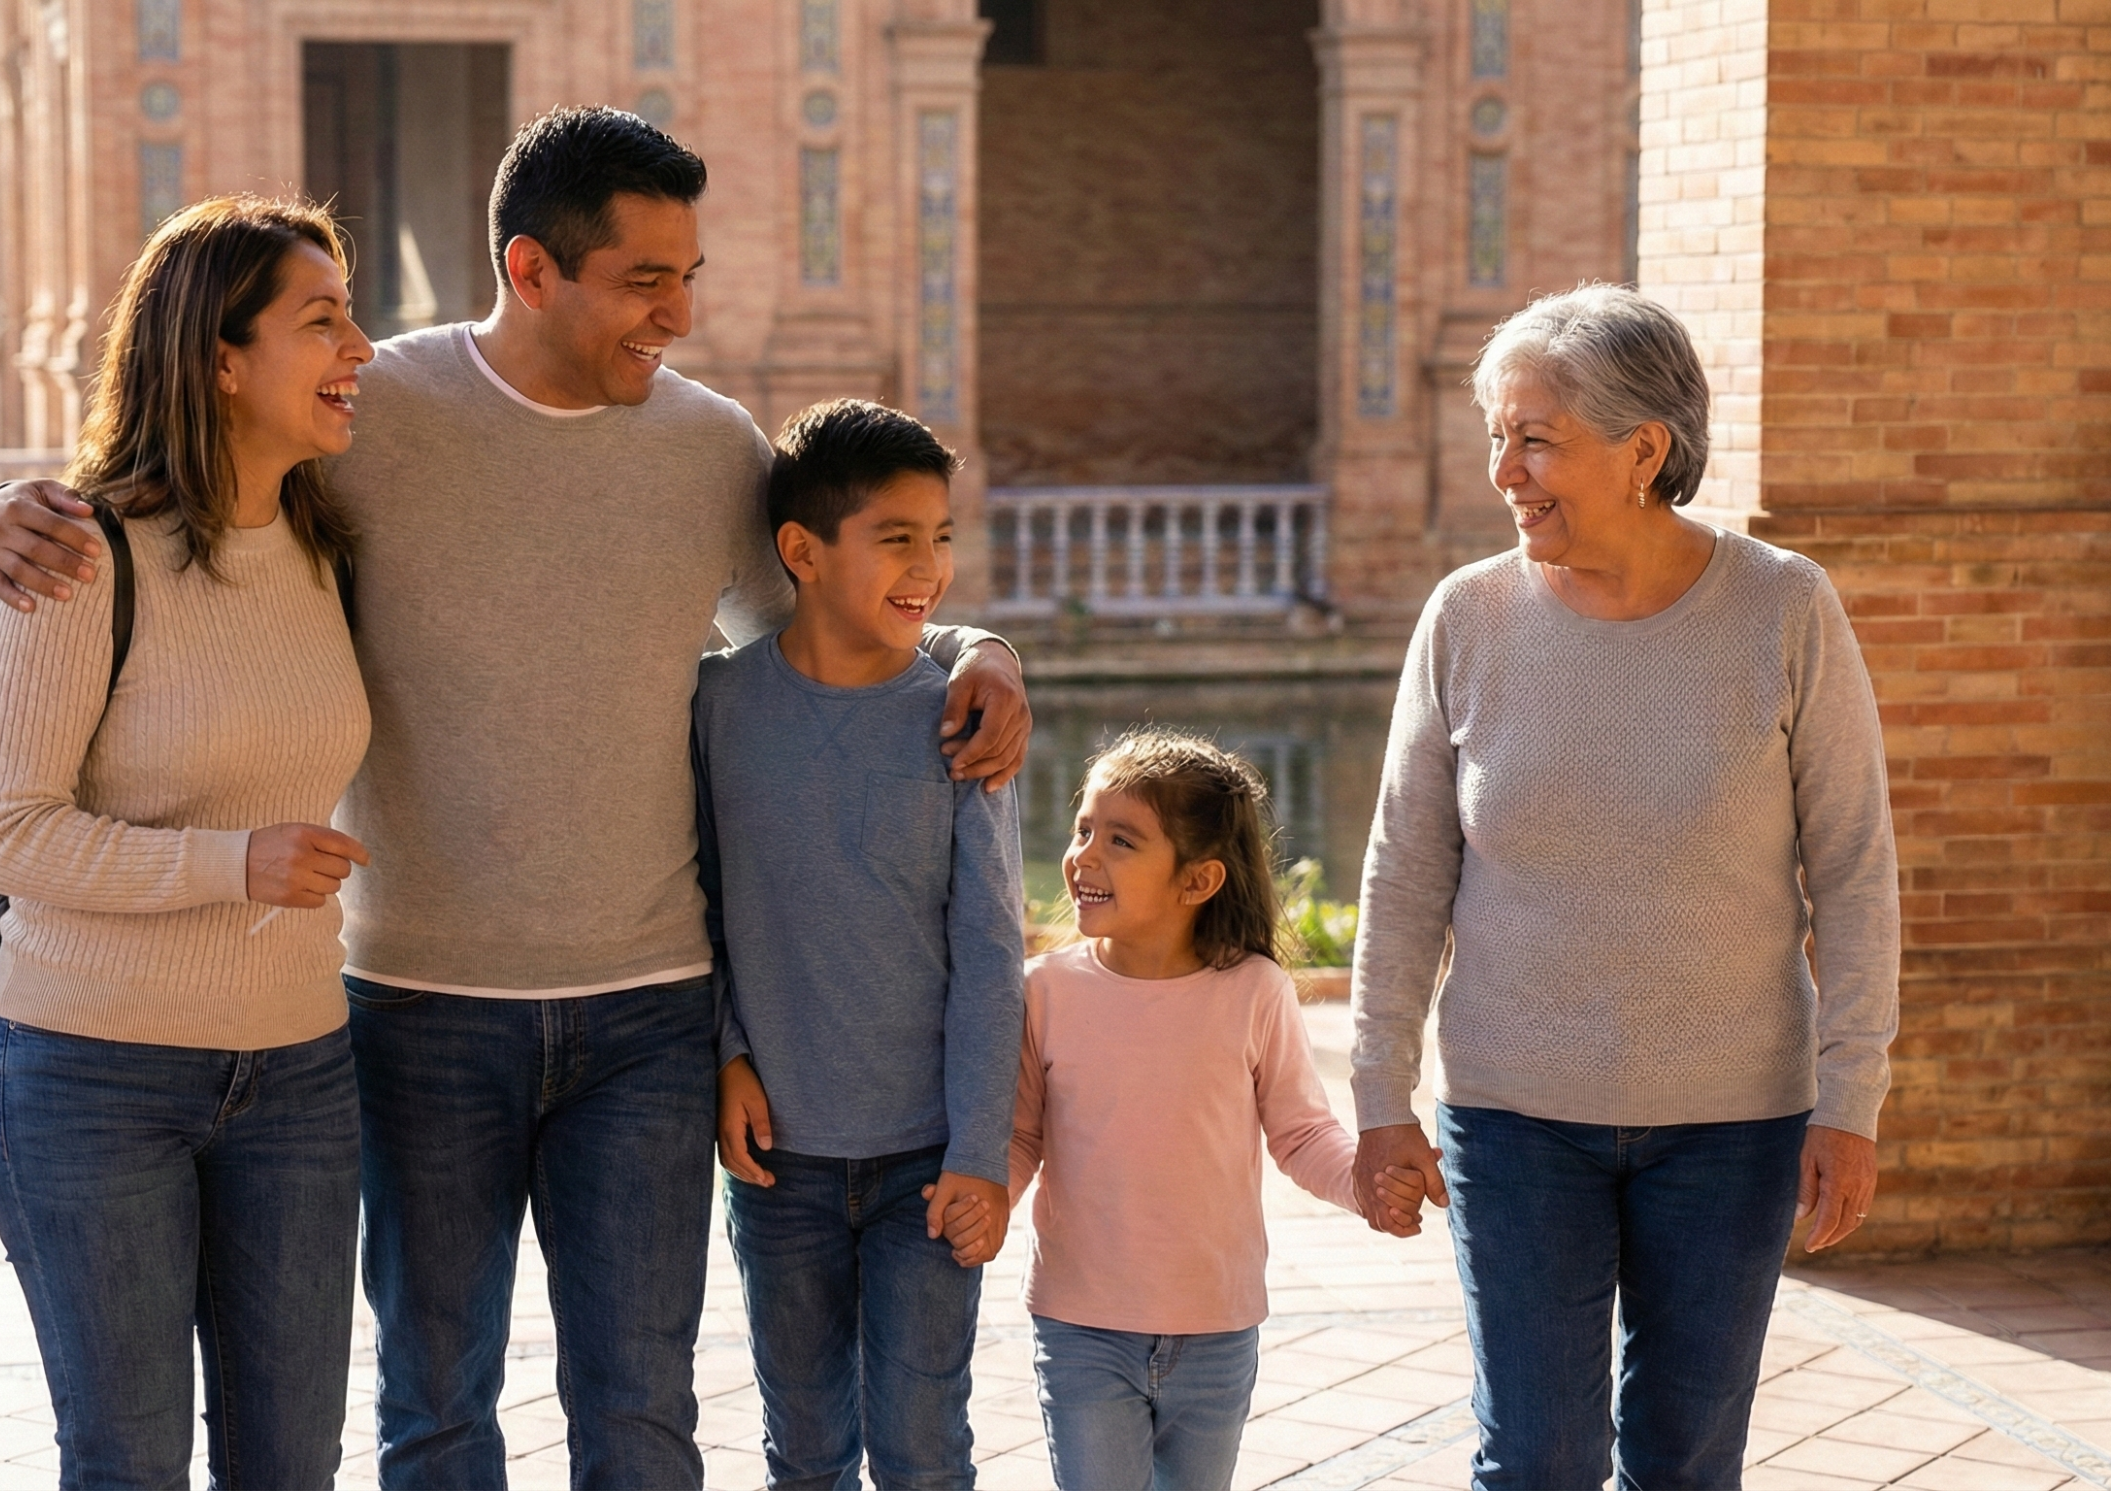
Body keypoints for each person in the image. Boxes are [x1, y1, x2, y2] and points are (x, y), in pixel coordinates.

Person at [0, 108, 1031, 1490]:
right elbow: (169, 489)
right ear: (533, 270)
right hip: (412, 1006)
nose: (681, 315)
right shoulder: (366, 414)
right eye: (648, 279)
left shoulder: (708, 448)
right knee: (433, 1406)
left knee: (645, 1415)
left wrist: (979, 648)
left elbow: (841, 619)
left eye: (691, 274)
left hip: (650, 1012)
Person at [1346, 284, 1901, 1490]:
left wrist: (1848, 1097)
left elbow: (1854, 869)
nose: (1505, 469)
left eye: (1534, 437)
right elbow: (1402, 874)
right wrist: (1380, 1092)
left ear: (1643, 449)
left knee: (1685, 1460)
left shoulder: (1783, 607)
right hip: (1513, 1112)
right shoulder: (1467, 619)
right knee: (1535, 1457)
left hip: (1733, 1121)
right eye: (1497, 434)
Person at [0, 195, 375, 1488]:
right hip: (91, 1080)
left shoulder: (331, 535)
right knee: (129, 1459)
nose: (360, 346)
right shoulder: (81, 554)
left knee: (291, 1461)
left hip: (301, 1075)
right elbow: (3, 832)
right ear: (219, 358)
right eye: (322, 320)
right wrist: (230, 862)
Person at [698, 400, 1027, 1491]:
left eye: (939, 537)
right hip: (778, 1157)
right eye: (896, 539)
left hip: (925, 1162)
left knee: (926, 1446)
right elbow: (688, 900)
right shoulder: (717, 709)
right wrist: (724, 1051)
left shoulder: (963, 721)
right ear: (801, 551)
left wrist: (981, 1150)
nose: (928, 567)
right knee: (804, 1448)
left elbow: (990, 955)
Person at [1010, 728, 1422, 1491]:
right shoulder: (1045, 990)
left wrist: (1363, 1183)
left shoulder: (1253, 990)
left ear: (1198, 880)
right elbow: (1021, 1136)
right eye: (1083, 829)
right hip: (1080, 1321)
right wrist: (977, 1196)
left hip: (1217, 1326)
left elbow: (1301, 1133)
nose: (1084, 855)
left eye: (1121, 839)